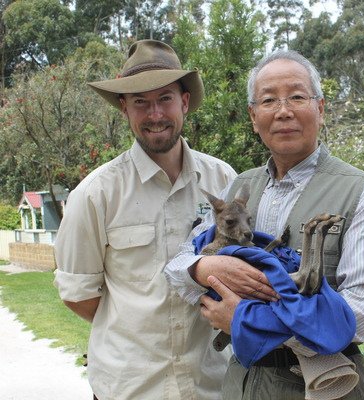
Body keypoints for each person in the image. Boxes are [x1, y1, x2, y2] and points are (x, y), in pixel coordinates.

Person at [165, 49, 364, 399]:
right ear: (254, 117)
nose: (284, 111)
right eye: (269, 100)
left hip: (324, 387)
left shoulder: (361, 191)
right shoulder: (238, 189)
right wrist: (204, 266)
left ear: (320, 108)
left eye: (297, 97)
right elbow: (177, 266)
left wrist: (249, 321)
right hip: (242, 384)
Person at [53, 39, 237, 400]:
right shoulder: (96, 194)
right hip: (130, 388)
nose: (155, 114)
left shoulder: (224, 181)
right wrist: (136, 329)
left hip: (212, 385)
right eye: (140, 102)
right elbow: (78, 296)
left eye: (165, 98)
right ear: (124, 108)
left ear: (184, 102)